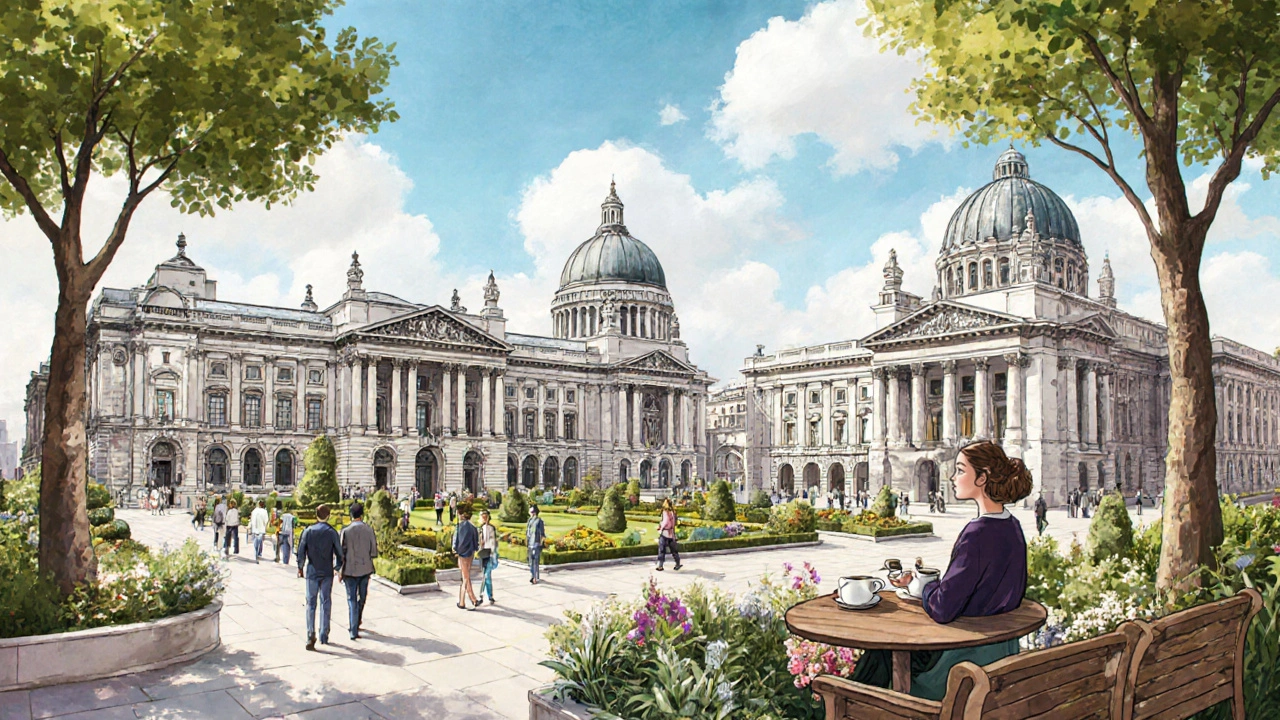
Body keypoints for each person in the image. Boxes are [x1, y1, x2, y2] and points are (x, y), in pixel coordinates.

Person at [852, 440, 1033, 700]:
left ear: (982, 478)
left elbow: (942, 608)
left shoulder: (978, 534)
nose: (952, 477)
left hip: (964, 667)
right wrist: (927, 586)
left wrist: (924, 587)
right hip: (1000, 654)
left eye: (960, 470)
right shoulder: (1012, 526)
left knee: (881, 653)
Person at [297, 504, 343, 650]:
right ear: (328, 515)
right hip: (327, 571)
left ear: (316, 515)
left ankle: (310, 634)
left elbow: (301, 551)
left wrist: (300, 566)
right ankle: (324, 633)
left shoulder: (308, 531)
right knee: (326, 602)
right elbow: (340, 553)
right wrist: (337, 567)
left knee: (311, 604)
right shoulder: (332, 532)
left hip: (312, 571)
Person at [340, 502, 378, 640]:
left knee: (351, 599)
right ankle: (357, 621)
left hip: (349, 570)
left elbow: (340, 554)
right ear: (362, 515)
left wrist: (339, 571)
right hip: (365, 568)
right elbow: (374, 552)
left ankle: (353, 628)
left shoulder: (345, 531)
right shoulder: (369, 530)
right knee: (361, 598)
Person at [451, 506, 481, 610]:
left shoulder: (459, 527)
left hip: (462, 554)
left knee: (465, 578)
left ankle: (464, 601)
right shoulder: (473, 527)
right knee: (466, 576)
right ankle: (473, 599)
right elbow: (476, 541)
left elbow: (455, 542)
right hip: (470, 553)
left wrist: (455, 550)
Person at [655, 498, 682, 571]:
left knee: (661, 549)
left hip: (665, 532)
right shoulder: (673, 512)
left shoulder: (665, 512)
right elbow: (674, 523)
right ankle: (677, 563)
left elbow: (665, 521)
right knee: (674, 550)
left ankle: (660, 565)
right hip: (671, 533)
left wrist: (660, 527)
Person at [478, 510, 498, 605]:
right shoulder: (480, 528)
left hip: (489, 552)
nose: (484, 518)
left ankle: (485, 595)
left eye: (486, 517)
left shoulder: (491, 528)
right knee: (484, 575)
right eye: (483, 517)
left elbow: (494, 541)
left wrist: (493, 553)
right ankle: (485, 595)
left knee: (487, 575)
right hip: (483, 553)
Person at [526, 504, 546, 585]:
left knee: (535, 561)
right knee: (530, 561)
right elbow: (528, 533)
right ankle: (534, 576)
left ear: (534, 512)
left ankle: (534, 577)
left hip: (536, 543)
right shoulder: (529, 521)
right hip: (530, 543)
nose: (530, 513)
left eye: (531, 512)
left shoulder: (539, 521)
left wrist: (541, 544)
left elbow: (542, 534)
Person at [249, 500, 270, 564]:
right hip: (261, 529)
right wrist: (266, 527)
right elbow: (266, 521)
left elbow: (252, 520)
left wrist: (251, 527)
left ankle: (256, 553)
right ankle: (259, 553)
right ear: (263, 505)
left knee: (255, 541)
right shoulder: (264, 511)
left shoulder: (254, 511)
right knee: (260, 541)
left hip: (255, 529)